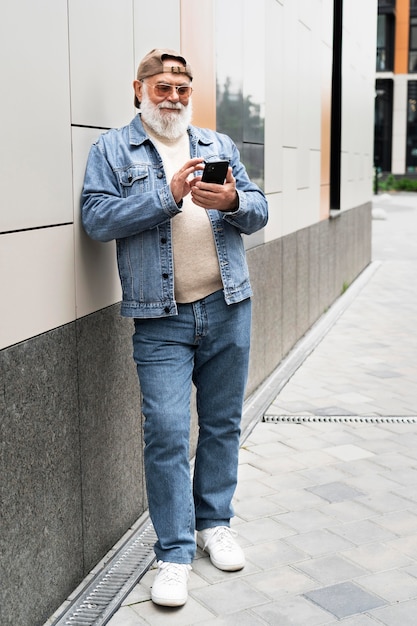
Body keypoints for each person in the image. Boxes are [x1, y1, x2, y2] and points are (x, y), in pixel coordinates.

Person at [81, 48, 268, 607]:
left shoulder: (217, 144)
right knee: (165, 432)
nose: (173, 97)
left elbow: (258, 209)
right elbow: (96, 218)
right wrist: (168, 195)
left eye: (182, 89)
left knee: (220, 422)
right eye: (162, 87)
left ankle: (215, 524)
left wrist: (232, 200)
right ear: (137, 88)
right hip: (159, 316)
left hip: (228, 303)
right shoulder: (112, 149)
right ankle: (174, 552)